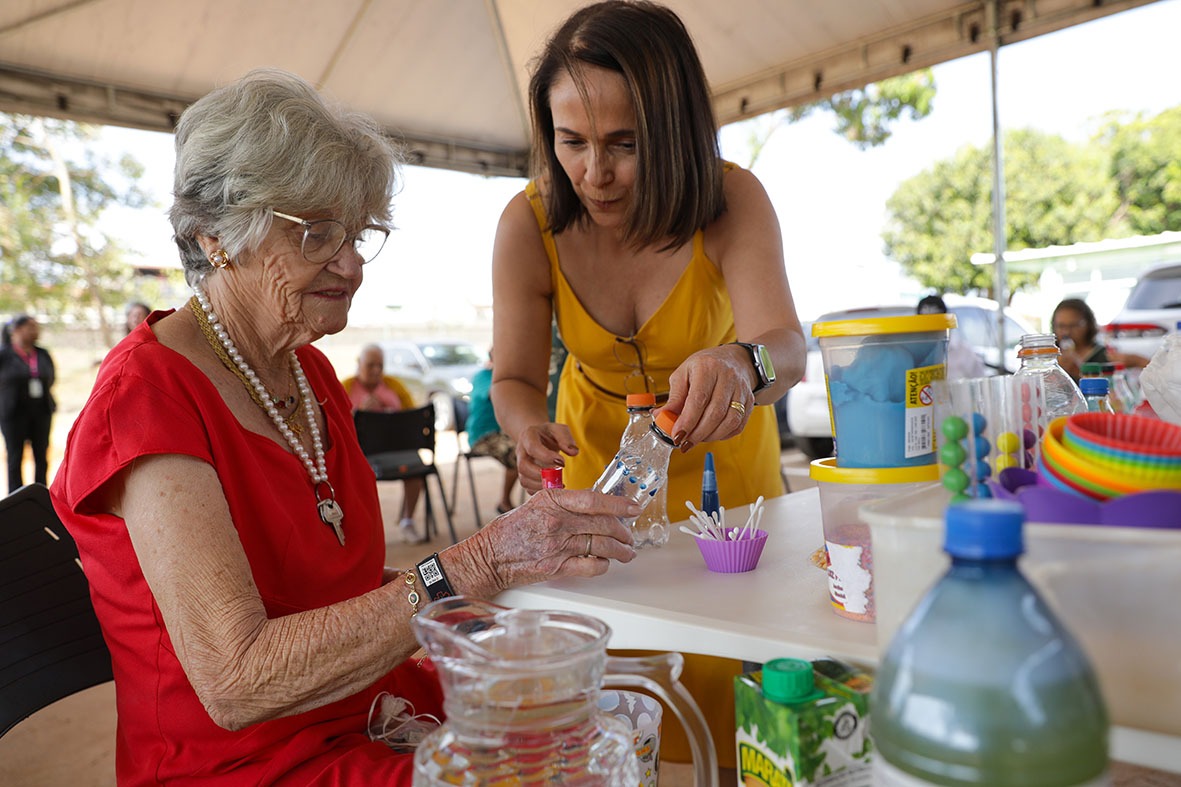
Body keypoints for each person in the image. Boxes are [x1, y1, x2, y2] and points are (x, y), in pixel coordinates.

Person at [49, 68, 637, 786]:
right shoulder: (146, 397)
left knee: (600, 726)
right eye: (317, 234)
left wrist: (489, 589)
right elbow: (235, 680)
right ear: (216, 237)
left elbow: (332, 587)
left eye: (356, 233)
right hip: (245, 764)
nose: (352, 264)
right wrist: (471, 566)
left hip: (367, 711)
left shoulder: (310, 373)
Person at [488, 0, 805, 767]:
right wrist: (525, 428)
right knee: (611, 708)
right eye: (571, 141)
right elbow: (515, 377)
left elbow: (787, 350)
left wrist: (741, 364)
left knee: (730, 701)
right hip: (596, 480)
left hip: (725, 479)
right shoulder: (527, 223)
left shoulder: (731, 198)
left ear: (673, 130)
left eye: (624, 145)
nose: (594, 173)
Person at [342, 343, 425, 543]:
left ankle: (407, 521)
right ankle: (362, 532)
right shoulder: (345, 388)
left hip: (397, 450)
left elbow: (413, 419)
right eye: (370, 365)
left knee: (416, 467)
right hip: (362, 455)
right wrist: (359, 413)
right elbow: (337, 426)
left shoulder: (394, 386)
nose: (376, 370)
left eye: (380, 365)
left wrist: (390, 412)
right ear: (359, 364)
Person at [0, 315, 56, 493]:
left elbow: (51, 377)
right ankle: (15, 497)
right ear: (17, 330)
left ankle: (41, 495)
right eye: (30, 327)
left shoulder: (42, 354)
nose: (35, 331)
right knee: (15, 456)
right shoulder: (4, 355)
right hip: (13, 413)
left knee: (41, 455)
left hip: (41, 411)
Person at [466, 347, 519, 514]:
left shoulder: (511, 379)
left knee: (528, 447)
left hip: (503, 433)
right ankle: (505, 502)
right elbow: (496, 394)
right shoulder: (483, 376)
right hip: (483, 435)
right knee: (517, 452)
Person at [1051, 297, 1149, 381]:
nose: (1066, 332)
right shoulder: (1051, 357)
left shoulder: (1105, 356)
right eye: (1061, 326)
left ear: (1088, 324)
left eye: (1073, 326)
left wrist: (1134, 360)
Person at [916, 294, 987, 378]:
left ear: (945, 320)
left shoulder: (964, 352)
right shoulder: (913, 353)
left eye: (935, 320)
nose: (931, 327)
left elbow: (980, 380)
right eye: (925, 321)